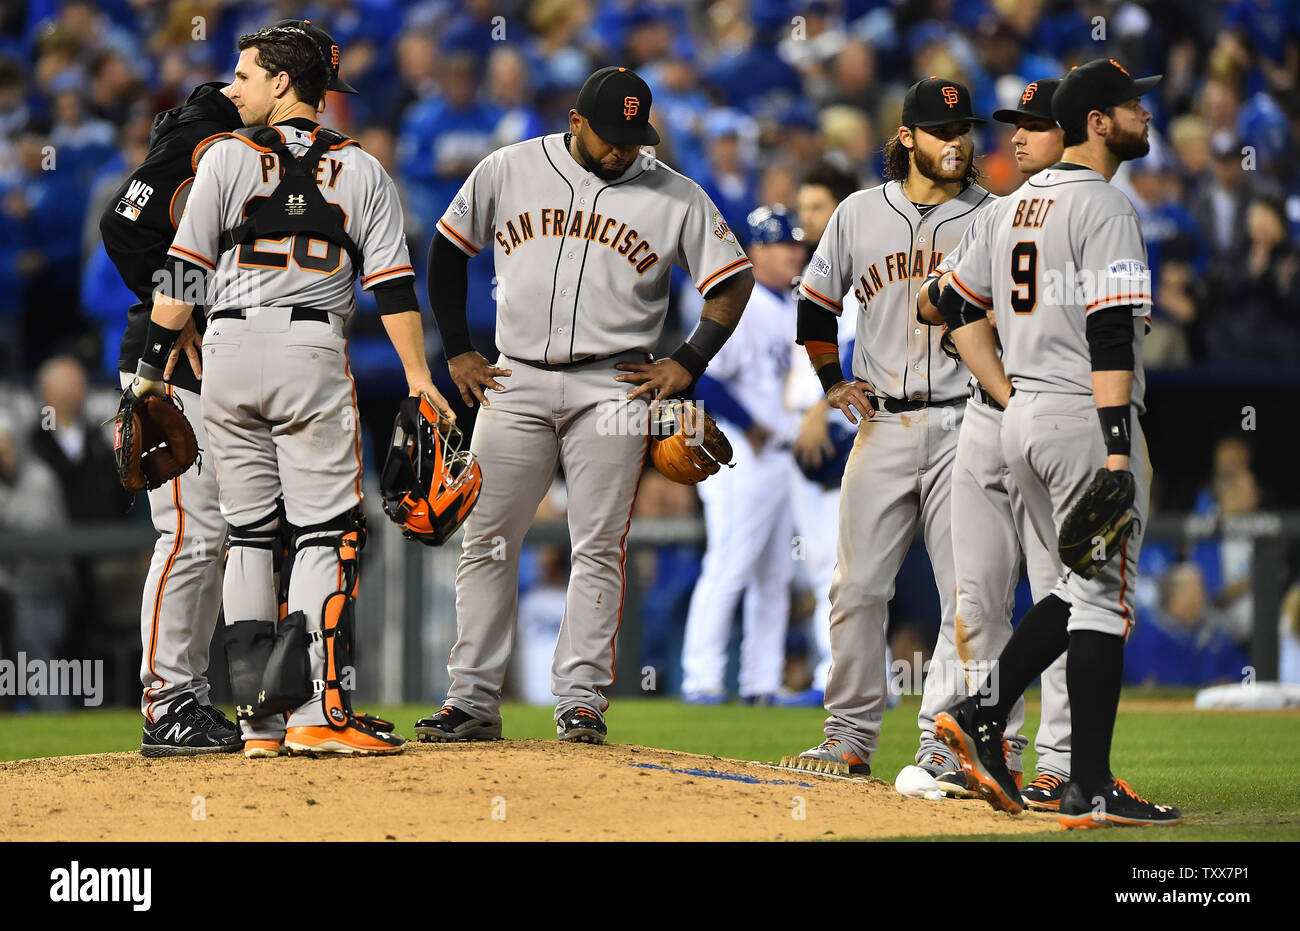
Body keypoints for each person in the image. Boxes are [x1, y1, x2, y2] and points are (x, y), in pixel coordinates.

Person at [126, 20, 451, 757]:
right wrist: (420, 379)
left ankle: (260, 726)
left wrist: (148, 375)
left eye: (245, 74)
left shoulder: (225, 158)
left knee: (247, 535)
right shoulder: (363, 168)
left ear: (281, 82)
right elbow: (394, 289)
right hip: (309, 344)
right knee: (324, 533)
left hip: (227, 350)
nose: (232, 87)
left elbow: (179, 279)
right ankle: (313, 713)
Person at [417, 65, 754, 745]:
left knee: (598, 543)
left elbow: (733, 279)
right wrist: (457, 349)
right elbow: (448, 251)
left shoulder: (675, 193)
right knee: (485, 537)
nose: (622, 148)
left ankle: (580, 699)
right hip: (514, 377)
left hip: (615, 383)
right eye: (610, 134)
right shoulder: (509, 168)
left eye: (634, 135)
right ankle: (473, 699)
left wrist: (686, 362)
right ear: (576, 121)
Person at [936, 58, 1182, 827]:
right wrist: (1117, 447)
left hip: (1022, 417)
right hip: (1083, 415)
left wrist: (1008, 389)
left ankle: (984, 714)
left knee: (1071, 590)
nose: (1146, 117)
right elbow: (1111, 331)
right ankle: (1090, 782)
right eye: (1131, 107)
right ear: (1099, 123)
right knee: (1103, 602)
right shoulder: (1106, 204)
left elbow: (943, 300)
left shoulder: (1011, 205)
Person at [782, 78, 993, 779]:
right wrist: (829, 382)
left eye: (962, 129)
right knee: (855, 587)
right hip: (884, 422)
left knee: (970, 591)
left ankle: (949, 738)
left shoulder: (993, 215)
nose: (956, 142)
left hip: (970, 422)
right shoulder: (857, 214)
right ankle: (847, 734)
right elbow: (815, 305)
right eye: (941, 130)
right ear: (906, 137)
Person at [910, 79, 1072, 810]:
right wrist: (1007, 396)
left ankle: (1061, 760)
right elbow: (936, 304)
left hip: (1045, 417)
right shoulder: (1000, 216)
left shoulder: (1084, 213)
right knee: (974, 598)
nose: (1015, 136)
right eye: (1015, 124)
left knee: (1061, 595)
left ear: (1070, 132)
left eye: (1034, 124)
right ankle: (983, 746)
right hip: (998, 412)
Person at [99, 79, 244, 756]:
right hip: (168, 366)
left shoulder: (244, 144)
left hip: (212, 360)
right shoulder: (201, 134)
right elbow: (122, 225)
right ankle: (167, 702)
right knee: (190, 530)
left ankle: (189, 697)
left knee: (212, 534)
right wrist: (176, 311)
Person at [680, 205, 803, 705]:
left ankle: (762, 681)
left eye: (797, 244)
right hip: (740, 454)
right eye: (782, 244)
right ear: (756, 252)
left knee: (775, 572)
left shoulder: (796, 304)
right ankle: (702, 679)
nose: (795, 252)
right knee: (729, 563)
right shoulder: (742, 305)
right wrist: (749, 425)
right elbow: (701, 374)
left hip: (784, 455)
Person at [783, 160, 859, 706]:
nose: (806, 216)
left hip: (836, 424)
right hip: (807, 427)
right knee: (820, 564)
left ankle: (839, 678)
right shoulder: (811, 271)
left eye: (816, 205)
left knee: (839, 564)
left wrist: (816, 406)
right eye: (803, 206)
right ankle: (842, 673)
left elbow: (855, 350)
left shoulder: (852, 268)